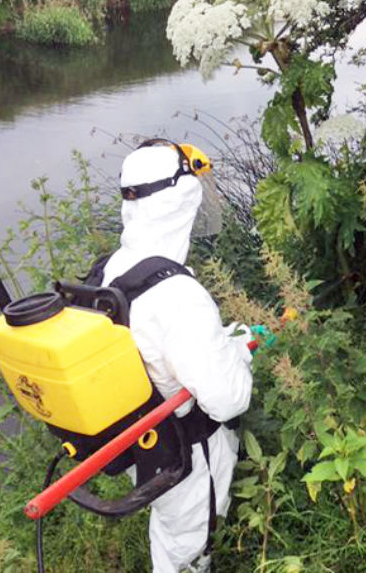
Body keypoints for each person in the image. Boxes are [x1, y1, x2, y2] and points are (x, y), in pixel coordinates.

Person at [100, 139, 253, 572]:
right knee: (189, 548)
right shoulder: (178, 296)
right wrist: (239, 355)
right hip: (185, 454)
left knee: (168, 532)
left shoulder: (114, 269)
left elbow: (155, 347)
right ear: (180, 202)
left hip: (140, 443)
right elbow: (228, 399)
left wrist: (218, 342)